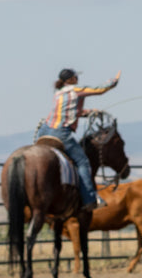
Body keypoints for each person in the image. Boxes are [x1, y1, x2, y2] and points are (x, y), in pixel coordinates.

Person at [36, 67, 120, 208]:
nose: (77, 79)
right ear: (71, 79)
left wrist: (89, 112)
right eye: (76, 77)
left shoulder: (58, 93)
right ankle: (89, 199)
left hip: (44, 131)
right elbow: (100, 89)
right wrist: (114, 81)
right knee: (83, 162)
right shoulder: (75, 90)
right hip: (61, 132)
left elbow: (70, 111)